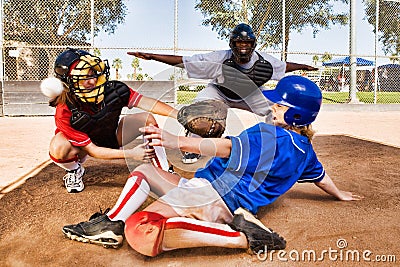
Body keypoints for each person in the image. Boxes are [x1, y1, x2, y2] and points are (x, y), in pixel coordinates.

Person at [62, 76, 362, 256]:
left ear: (297, 116)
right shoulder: (305, 151)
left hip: (209, 194)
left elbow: (226, 147)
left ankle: (110, 225)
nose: (272, 107)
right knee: (143, 205)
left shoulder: (268, 133)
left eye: (280, 106)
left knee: (141, 203)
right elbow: (320, 176)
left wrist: (174, 141)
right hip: (220, 201)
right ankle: (240, 235)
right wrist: (339, 194)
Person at [129, 23, 318, 164]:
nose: (243, 46)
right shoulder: (219, 58)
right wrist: (152, 56)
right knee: (202, 113)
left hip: (251, 94)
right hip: (219, 92)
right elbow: (185, 61)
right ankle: (193, 146)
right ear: (232, 43)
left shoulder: (264, 61)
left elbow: (283, 67)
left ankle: (275, 144)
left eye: (247, 42)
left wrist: (301, 66)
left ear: (253, 43)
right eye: (239, 42)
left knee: (276, 110)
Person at [48, 48, 178, 193]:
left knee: (146, 119)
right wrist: (130, 154)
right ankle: (74, 170)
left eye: (93, 74)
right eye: (85, 77)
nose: (93, 80)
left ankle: (163, 170)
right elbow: (93, 151)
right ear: (68, 82)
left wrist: (179, 114)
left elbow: (147, 103)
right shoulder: (64, 111)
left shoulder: (112, 90)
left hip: (112, 136)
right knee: (58, 145)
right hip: (84, 148)